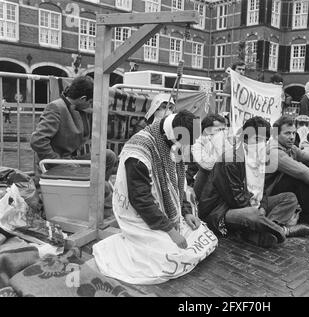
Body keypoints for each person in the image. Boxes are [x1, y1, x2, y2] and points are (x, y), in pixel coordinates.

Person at [93, 111, 217, 284]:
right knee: (169, 255)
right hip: (139, 215)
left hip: (167, 212)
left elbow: (178, 183)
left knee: (203, 235)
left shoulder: (175, 141)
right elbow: (140, 200)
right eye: (191, 140)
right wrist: (171, 232)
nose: (193, 143)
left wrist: (187, 212)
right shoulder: (139, 151)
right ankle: (115, 248)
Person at [198, 116, 309, 248]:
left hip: (252, 204)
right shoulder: (231, 160)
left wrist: (263, 206)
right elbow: (236, 199)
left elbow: (261, 189)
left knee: (290, 198)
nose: (261, 144)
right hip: (222, 210)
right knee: (252, 214)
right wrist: (258, 210)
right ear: (246, 138)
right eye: (257, 139)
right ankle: (281, 230)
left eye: (264, 141)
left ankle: (260, 230)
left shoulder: (258, 156)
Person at [30, 76, 117, 215]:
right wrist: (58, 162)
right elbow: (37, 140)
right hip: (55, 164)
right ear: (82, 98)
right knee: (105, 186)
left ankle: (94, 194)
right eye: (89, 101)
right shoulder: (56, 107)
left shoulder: (77, 108)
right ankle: (102, 204)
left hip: (69, 161)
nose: (91, 105)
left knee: (109, 156)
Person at [266, 115, 309, 232]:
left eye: (293, 133)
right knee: (298, 177)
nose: (292, 137)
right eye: (287, 133)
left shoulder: (290, 147)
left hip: (280, 186)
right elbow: (301, 172)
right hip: (268, 194)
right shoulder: (274, 151)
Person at [191, 114, 232, 199]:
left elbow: (232, 160)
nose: (222, 132)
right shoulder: (197, 143)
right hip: (204, 187)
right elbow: (207, 165)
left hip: (223, 187)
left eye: (223, 129)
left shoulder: (225, 141)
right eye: (219, 130)